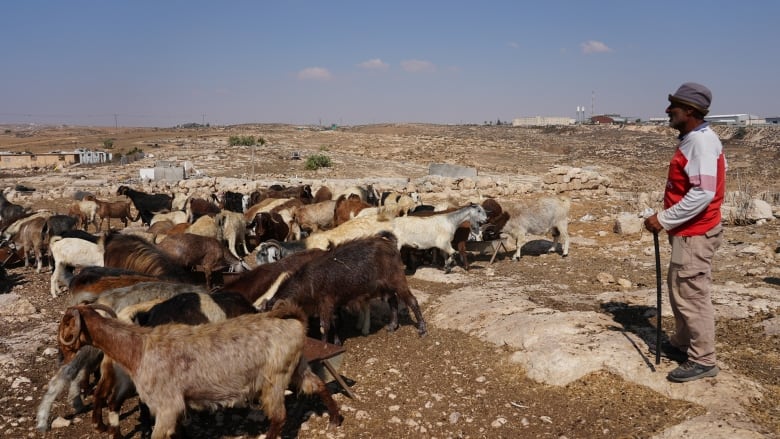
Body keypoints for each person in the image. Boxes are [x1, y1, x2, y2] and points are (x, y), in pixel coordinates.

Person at [644, 82, 727, 383]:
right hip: (688, 232)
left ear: (689, 111)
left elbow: (703, 192)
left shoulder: (701, 143)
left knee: (691, 293)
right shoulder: (695, 138)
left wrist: (664, 218)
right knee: (680, 286)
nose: (668, 111)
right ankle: (682, 343)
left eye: (674, 108)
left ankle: (703, 359)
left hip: (694, 233)